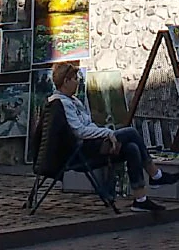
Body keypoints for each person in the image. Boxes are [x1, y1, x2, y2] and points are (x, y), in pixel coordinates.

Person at [51, 60, 172, 212]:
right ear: (66, 81)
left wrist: (106, 135)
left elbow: (89, 126)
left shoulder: (73, 101)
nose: (77, 82)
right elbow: (80, 131)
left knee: (131, 148)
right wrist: (108, 133)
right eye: (75, 79)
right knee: (131, 132)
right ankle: (155, 175)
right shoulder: (60, 103)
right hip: (80, 152)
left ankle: (141, 199)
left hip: (91, 144)